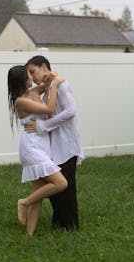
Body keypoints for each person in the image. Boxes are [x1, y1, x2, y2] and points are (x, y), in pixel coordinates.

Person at [25, 56, 84, 231]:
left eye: (32, 71)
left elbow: (71, 111)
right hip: (54, 146)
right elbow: (35, 92)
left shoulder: (62, 85)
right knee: (57, 191)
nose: (31, 76)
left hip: (66, 145)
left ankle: (69, 227)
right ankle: (59, 224)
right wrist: (50, 80)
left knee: (67, 189)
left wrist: (44, 126)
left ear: (43, 66)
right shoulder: (51, 85)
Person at [7, 65, 68, 236]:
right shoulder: (20, 100)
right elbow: (49, 109)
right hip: (31, 148)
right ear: (21, 80)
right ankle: (24, 202)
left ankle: (29, 236)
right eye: (29, 75)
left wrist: (52, 77)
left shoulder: (33, 93)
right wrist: (55, 85)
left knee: (38, 193)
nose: (32, 77)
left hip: (42, 145)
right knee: (60, 183)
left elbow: (51, 79)